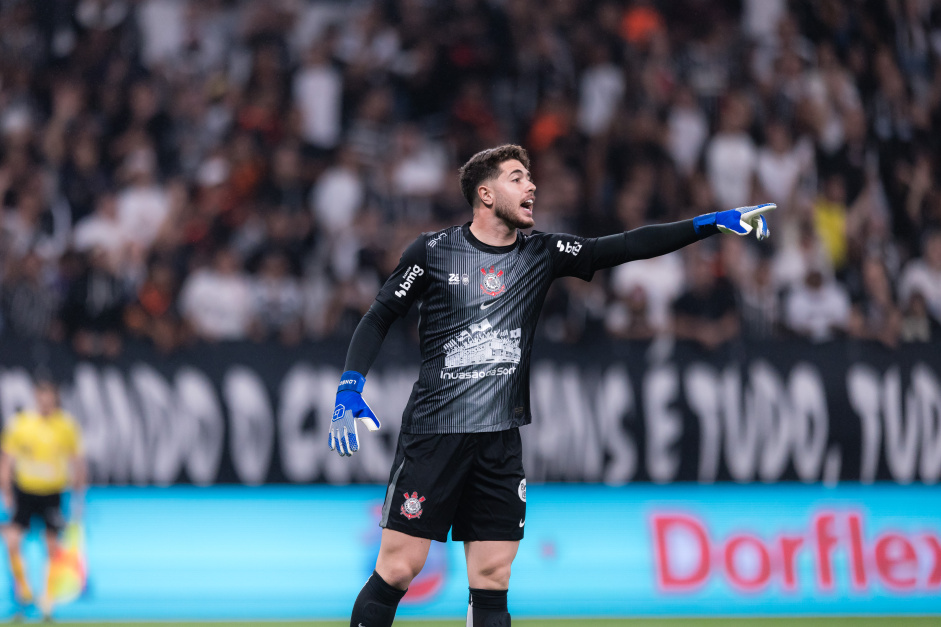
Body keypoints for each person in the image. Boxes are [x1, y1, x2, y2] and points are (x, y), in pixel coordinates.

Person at [327, 144, 774, 626]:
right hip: (435, 434)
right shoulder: (432, 251)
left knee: (493, 576)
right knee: (398, 567)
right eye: (517, 178)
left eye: (530, 178)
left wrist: (708, 223)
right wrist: (350, 387)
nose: (531, 186)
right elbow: (378, 318)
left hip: (499, 440)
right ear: (485, 192)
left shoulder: (541, 252)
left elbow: (622, 246)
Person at [1, 379, 85, 620]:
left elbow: (77, 462)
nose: (45, 400)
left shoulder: (66, 425)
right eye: (41, 395)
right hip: (25, 492)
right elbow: (6, 459)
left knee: (52, 546)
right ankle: (24, 594)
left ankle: (47, 604)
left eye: (49, 396)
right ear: (36, 396)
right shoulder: (21, 423)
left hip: (52, 493)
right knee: (13, 542)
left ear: (55, 397)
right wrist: (6, 492)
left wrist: (79, 496)